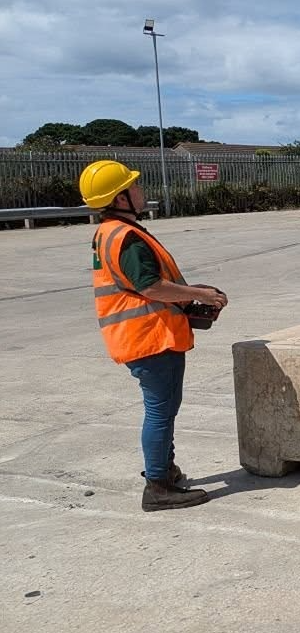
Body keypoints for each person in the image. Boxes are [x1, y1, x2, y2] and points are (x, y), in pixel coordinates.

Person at [79, 160, 228, 512]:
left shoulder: (110, 231)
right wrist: (201, 295)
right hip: (151, 339)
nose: (140, 189)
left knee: (164, 408)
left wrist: (188, 294)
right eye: (133, 186)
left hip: (141, 337)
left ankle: (165, 471)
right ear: (120, 198)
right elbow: (150, 287)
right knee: (160, 411)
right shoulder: (126, 238)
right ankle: (158, 486)